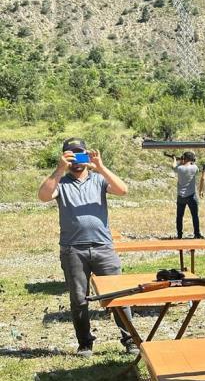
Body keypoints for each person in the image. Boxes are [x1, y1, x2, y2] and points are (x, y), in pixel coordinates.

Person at [37, 137, 136, 357]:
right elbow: (43, 196)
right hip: (73, 249)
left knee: (118, 295)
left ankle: (130, 340)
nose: (76, 160)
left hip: (103, 247)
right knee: (79, 299)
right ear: (64, 156)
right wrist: (58, 169)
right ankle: (85, 343)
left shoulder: (98, 180)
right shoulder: (60, 183)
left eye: (80, 154)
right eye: (71, 155)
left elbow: (123, 190)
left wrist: (100, 166)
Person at [173, 151, 202, 239]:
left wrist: (175, 159)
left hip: (181, 195)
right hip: (191, 195)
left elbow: (173, 167)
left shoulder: (180, 168)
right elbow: (195, 167)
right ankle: (197, 234)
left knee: (179, 216)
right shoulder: (194, 168)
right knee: (195, 216)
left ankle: (179, 234)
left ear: (183, 158)